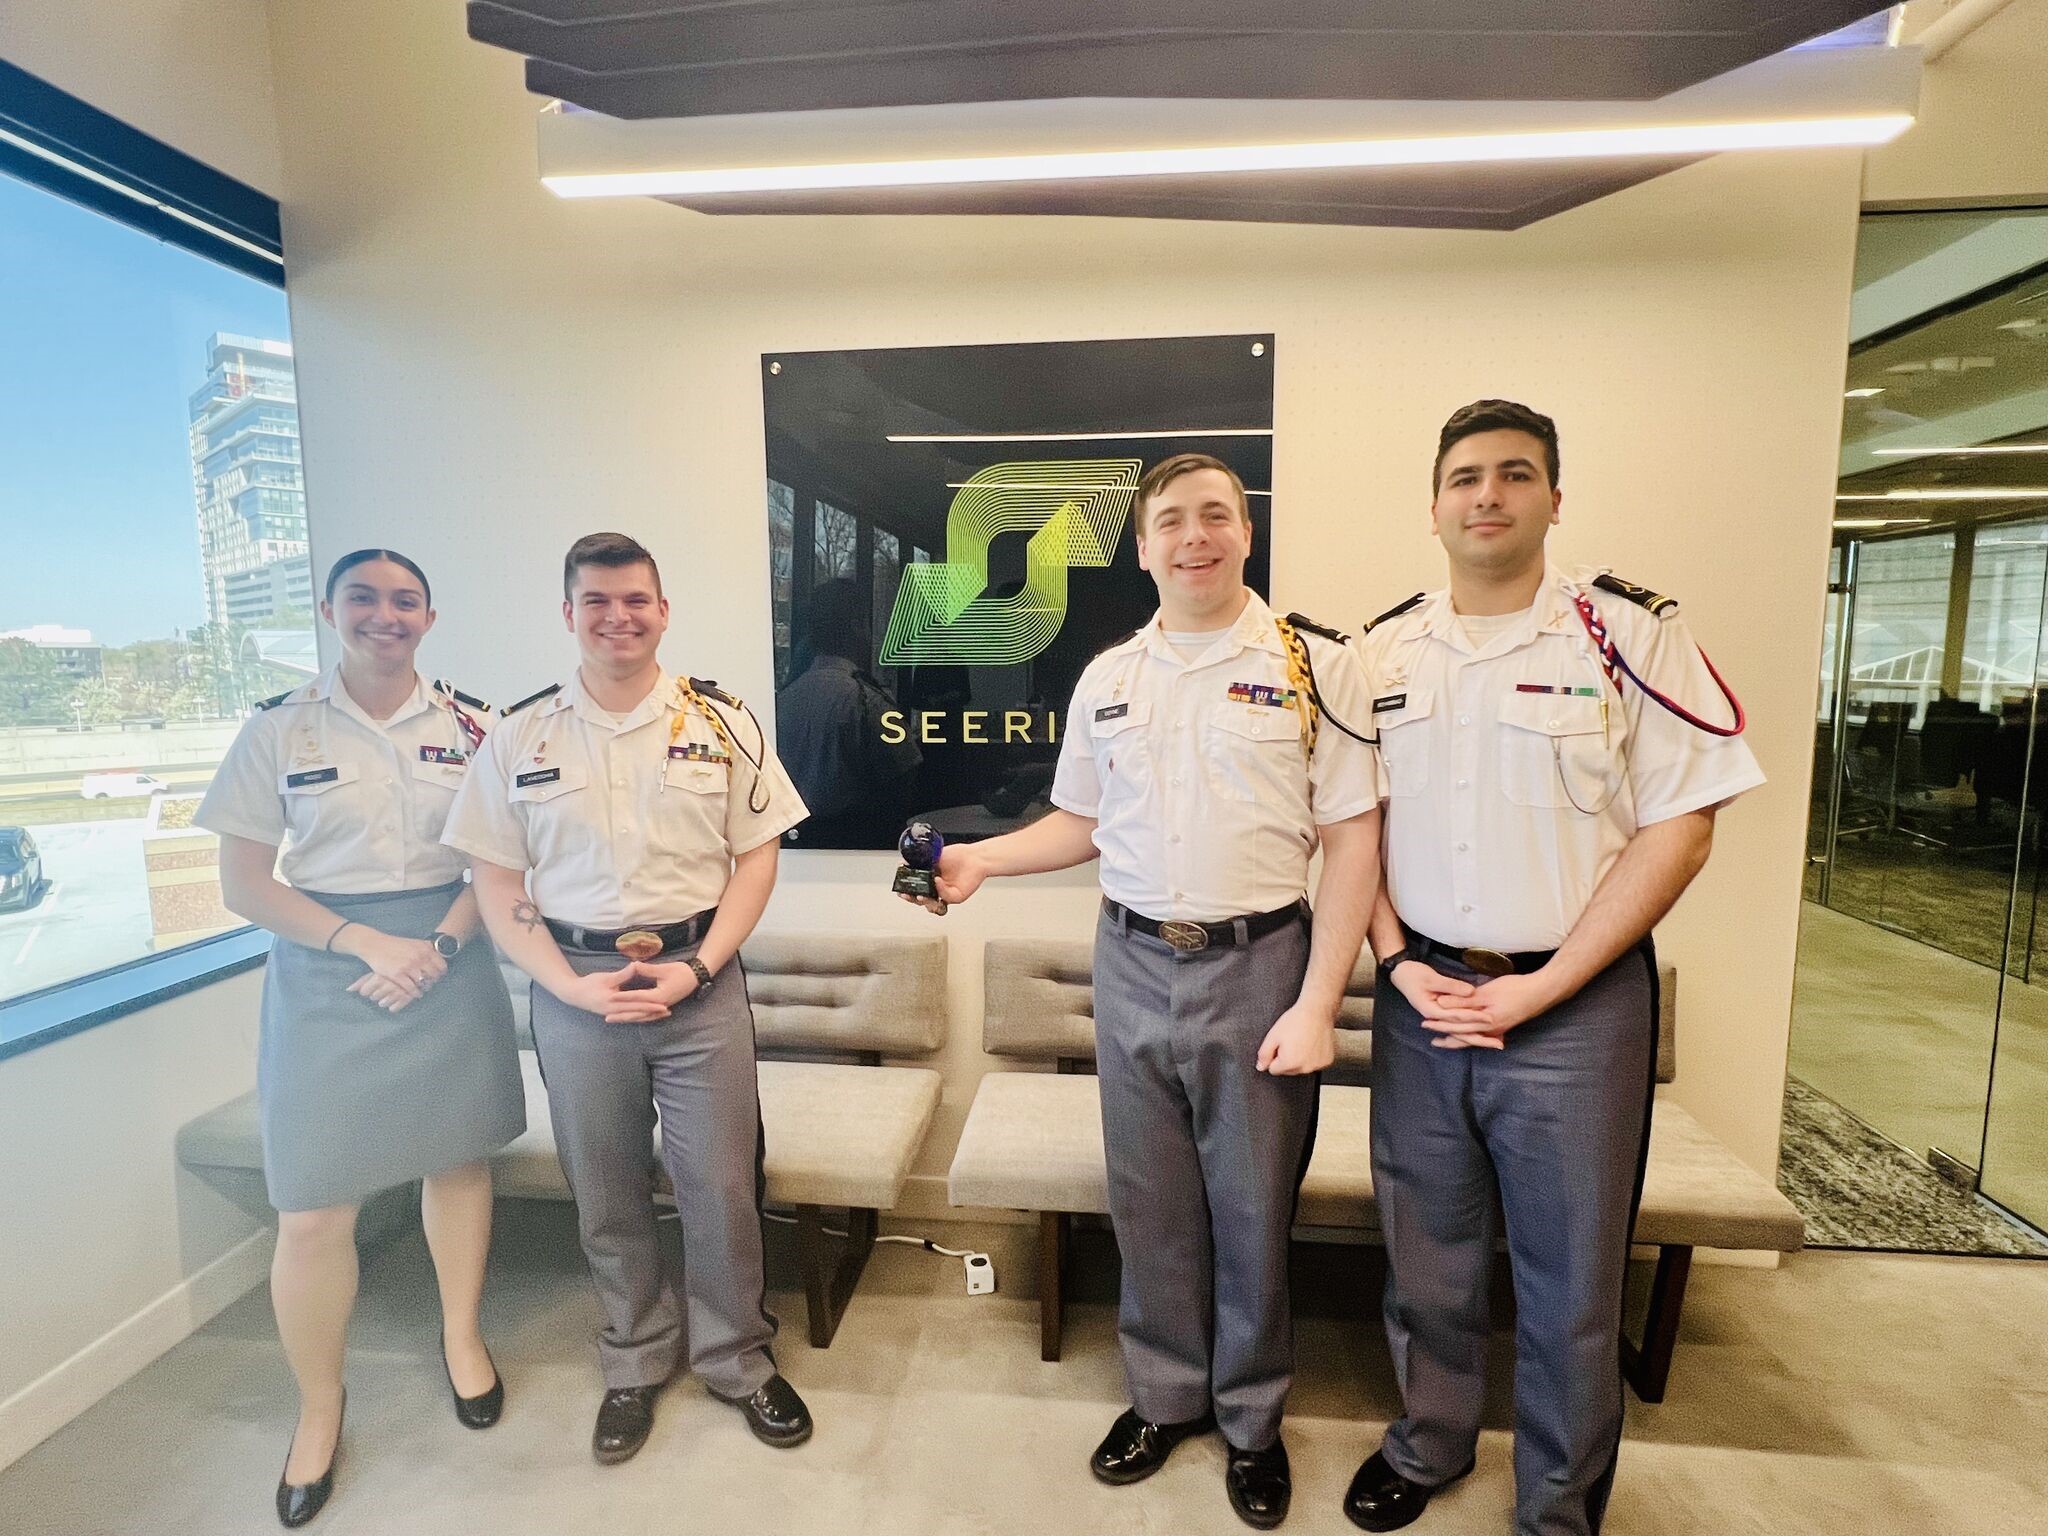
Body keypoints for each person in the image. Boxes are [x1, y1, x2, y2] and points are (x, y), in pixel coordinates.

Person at [905, 454, 1383, 1529]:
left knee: (1252, 1209)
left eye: (1215, 515)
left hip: (1260, 962)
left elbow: (1353, 841)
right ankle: (1163, 1398)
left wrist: (1315, 1004)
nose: (1192, 537)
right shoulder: (1109, 675)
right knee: (1151, 1203)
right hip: (1127, 959)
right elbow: (1080, 822)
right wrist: (984, 861)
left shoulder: (1314, 664)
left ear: (1245, 532)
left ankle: (1251, 1421)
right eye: (1168, 521)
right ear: (1141, 545)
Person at [1345, 400, 1764, 1536]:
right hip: (1423, 996)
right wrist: (1390, 960)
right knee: (1423, 1257)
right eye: (1465, 477)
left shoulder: (1626, 636)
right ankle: (1426, 1443)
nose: (1487, 494)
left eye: (1514, 475)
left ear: (1552, 500)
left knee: (1569, 1283)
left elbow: (1680, 826)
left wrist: (1545, 985)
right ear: (1432, 506)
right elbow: (1346, 828)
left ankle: (1555, 1505)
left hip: (1573, 1011)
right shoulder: (1380, 650)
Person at [442, 531, 813, 1466]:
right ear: (569, 614)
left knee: (721, 1187)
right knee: (604, 1189)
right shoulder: (520, 736)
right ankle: (635, 1361)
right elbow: (495, 878)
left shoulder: (719, 721)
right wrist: (564, 984)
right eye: (597, 601)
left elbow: (757, 858)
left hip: (700, 983)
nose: (619, 616)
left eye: (636, 599)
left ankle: (737, 1360)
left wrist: (698, 968)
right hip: (575, 991)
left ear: (663, 609)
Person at [197, 548, 525, 1529]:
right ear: (330, 610)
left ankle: (462, 1339)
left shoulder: (479, 725)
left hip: (449, 961)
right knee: (311, 1210)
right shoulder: (277, 729)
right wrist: (362, 942)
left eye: (405, 600)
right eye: (365, 600)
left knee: (459, 1166)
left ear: (429, 614)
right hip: (326, 975)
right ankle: (320, 1407)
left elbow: (501, 861)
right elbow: (245, 883)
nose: (387, 616)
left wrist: (432, 945)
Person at [774, 577, 919, 845]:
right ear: (857, 627)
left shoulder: (784, 700)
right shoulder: (866, 701)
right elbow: (905, 780)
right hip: (858, 844)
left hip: (794, 848)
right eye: (865, 623)